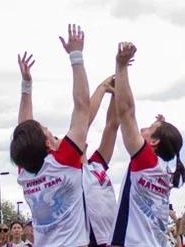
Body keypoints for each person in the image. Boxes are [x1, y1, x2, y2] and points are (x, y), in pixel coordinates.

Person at [12, 25, 92, 247]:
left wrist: (26, 85)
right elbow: (82, 106)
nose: (48, 128)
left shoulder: (26, 173)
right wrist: (76, 56)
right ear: (48, 143)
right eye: (46, 129)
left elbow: (24, 129)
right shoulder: (63, 160)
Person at [110, 41, 185, 247]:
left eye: (148, 129)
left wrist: (121, 66)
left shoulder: (146, 161)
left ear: (154, 142)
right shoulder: (166, 171)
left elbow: (126, 112)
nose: (141, 129)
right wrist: (162, 125)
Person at [84, 75, 120, 247]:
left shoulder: (96, 164)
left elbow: (112, 126)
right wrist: (102, 88)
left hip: (112, 238)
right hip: (92, 241)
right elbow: (83, 123)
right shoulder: (71, 172)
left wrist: (116, 92)